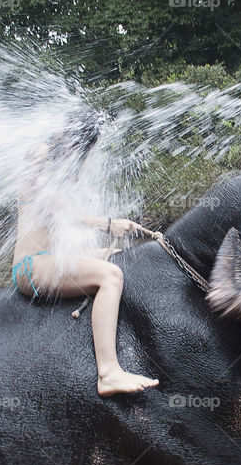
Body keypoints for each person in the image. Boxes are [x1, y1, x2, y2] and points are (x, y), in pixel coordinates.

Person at [11, 115, 160, 397]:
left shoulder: (56, 176)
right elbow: (60, 211)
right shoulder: (36, 169)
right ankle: (108, 372)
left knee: (118, 256)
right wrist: (108, 223)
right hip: (32, 266)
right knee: (110, 275)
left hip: (51, 258)